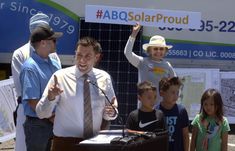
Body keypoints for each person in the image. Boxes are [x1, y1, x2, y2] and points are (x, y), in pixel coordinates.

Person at [35, 36, 118, 151]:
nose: (82, 60)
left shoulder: (104, 78)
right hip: (65, 143)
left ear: (96, 57)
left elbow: (109, 112)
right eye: (79, 55)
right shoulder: (60, 77)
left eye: (87, 56)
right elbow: (41, 113)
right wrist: (50, 97)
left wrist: (112, 112)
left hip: (94, 143)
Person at [11, 13, 61, 151]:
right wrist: (50, 115)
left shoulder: (54, 59)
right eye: (53, 39)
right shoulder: (22, 56)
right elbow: (28, 95)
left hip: (54, 120)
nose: (55, 43)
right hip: (35, 118)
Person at [124, 23, 176, 105]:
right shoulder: (142, 62)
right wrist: (133, 34)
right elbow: (128, 53)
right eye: (155, 48)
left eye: (161, 49)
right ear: (149, 50)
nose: (158, 51)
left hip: (162, 108)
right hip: (144, 108)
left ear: (165, 51)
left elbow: (175, 85)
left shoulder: (167, 65)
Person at [155, 77, 189, 151]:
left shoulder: (182, 111)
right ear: (162, 93)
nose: (176, 96)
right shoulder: (154, 112)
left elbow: (185, 135)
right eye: (173, 92)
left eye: (177, 92)